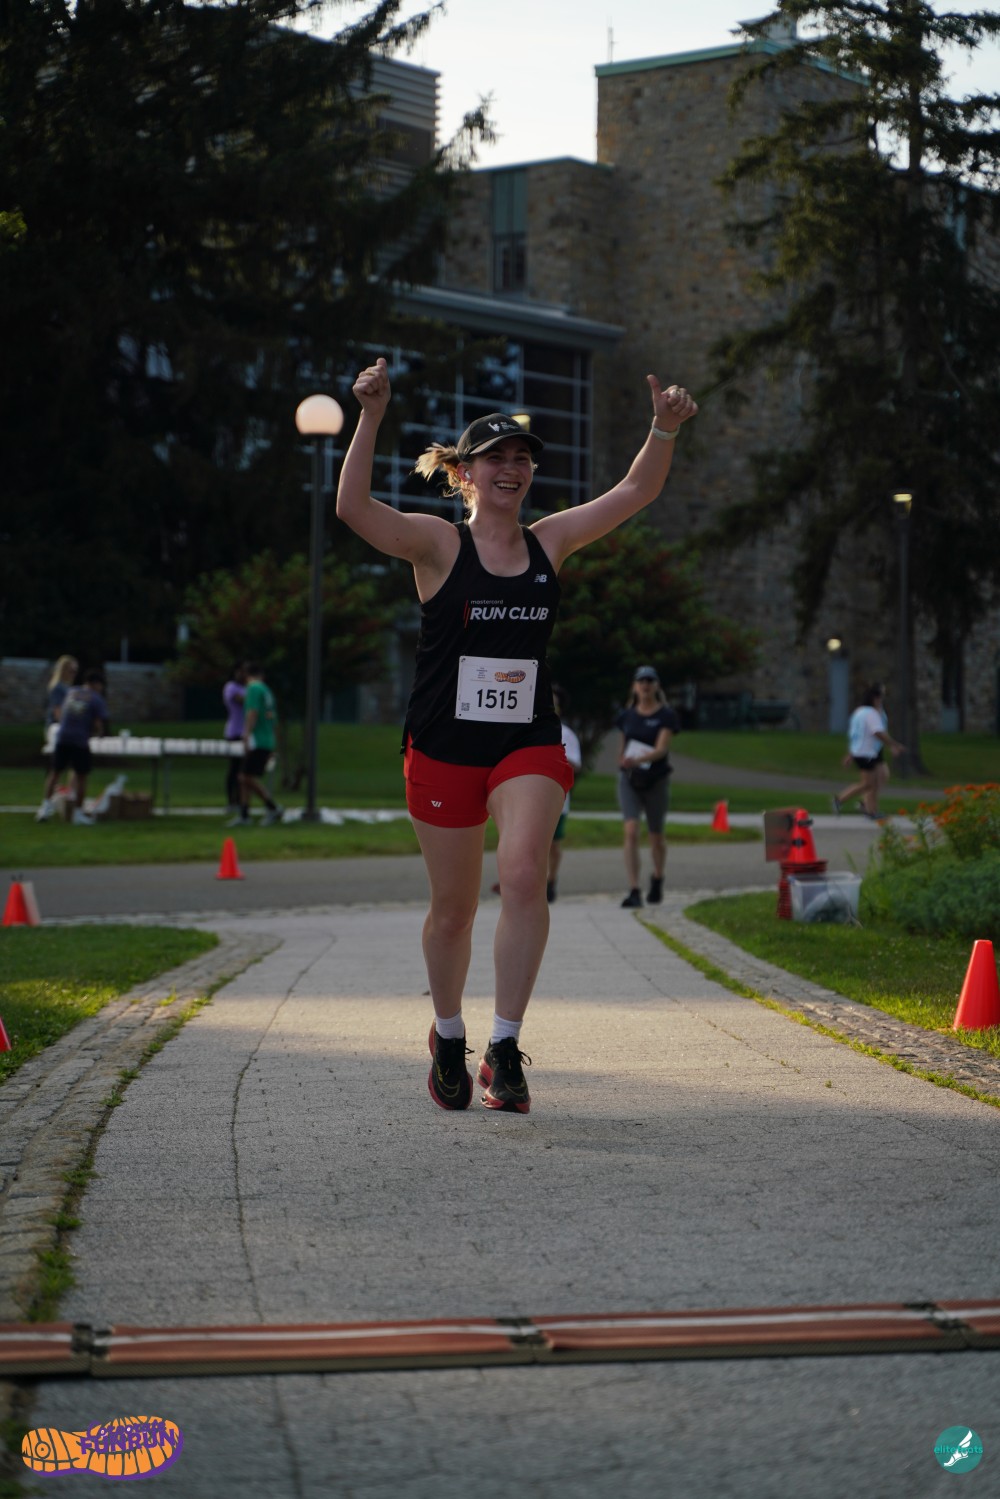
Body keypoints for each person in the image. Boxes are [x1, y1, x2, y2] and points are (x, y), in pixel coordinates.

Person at [336, 354, 697, 1114]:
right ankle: (448, 1033)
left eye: (523, 458)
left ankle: (504, 1047)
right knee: (454, 910)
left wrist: (662, 429)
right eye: (496, 457)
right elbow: (354, 508)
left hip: (526, 741)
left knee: (526, 873)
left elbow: (635, 491)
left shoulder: (549, 542)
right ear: (464, 473)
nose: (512, 468)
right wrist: (370, 416)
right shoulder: (438, 545)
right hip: (443, 746)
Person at [615, 665, 680, 907]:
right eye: (641, 681)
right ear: (635, 686)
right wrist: (623, 760)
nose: (645, 685)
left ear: (656, 686)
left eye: (650, 681)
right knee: (631, 831)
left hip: (656, 780)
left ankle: (657, 877)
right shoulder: (627, 716)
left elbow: (662, 749)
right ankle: (634, 888)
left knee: (656, 836)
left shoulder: (665, 715)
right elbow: (622, 747)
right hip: (630, 780)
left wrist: (639, 759)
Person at [833, 682, 903, 820]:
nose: (882, 699)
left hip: (870, 750)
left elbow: (857, 734)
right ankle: (841, 800)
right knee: (869, 783)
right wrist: (893, 744)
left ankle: (869, 807)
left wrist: (851, 753)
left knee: (880, 777)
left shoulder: (860, 712)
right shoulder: (871, 713)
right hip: (867, 752)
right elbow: (877, 732)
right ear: (875, 698)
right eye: (881, 696)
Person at [51, 669, 109, 825]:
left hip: (62, 737)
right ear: (96, 684)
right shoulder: (96, 699)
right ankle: (77, 813)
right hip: (79, 741)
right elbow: (97, 723)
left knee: (55, 772)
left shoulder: (71, 692)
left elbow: (63, 713)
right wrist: (98, 733)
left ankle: (45, 807)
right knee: (82, 776)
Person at [229, 662, 284, 826]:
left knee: (244, 777)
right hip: (267, 738)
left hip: (257, 739)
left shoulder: (253, 689)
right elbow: (273, 718)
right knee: (245, 777)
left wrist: (246, 733)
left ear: (247, 675)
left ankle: (272, 807)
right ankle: (244, 814)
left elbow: (252, 712)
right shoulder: (267, 691)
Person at [547, 685, 583, 903]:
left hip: (558, 798)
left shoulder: (566, 733)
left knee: (553, 843)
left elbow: (576, 764)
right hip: (531, 799)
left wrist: (556, 755)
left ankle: (551, 880)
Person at [36, 655, 79, 820]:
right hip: (57, 729)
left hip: (68, 730)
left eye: (75, 671)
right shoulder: (58, 688)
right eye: (71, 670)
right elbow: (58, 712)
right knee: (58, 766)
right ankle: (48, 804)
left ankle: (68, 798)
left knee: (74, 764)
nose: (74, 673)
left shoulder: (70, 689)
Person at [222, 661, 249, 813]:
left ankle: (241, 800)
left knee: (243, 769)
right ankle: (231, 801)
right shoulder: (231, 687)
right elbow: (241, 700)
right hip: (234, 733)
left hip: (246, 733)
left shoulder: (248, 688)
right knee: (234, 768)